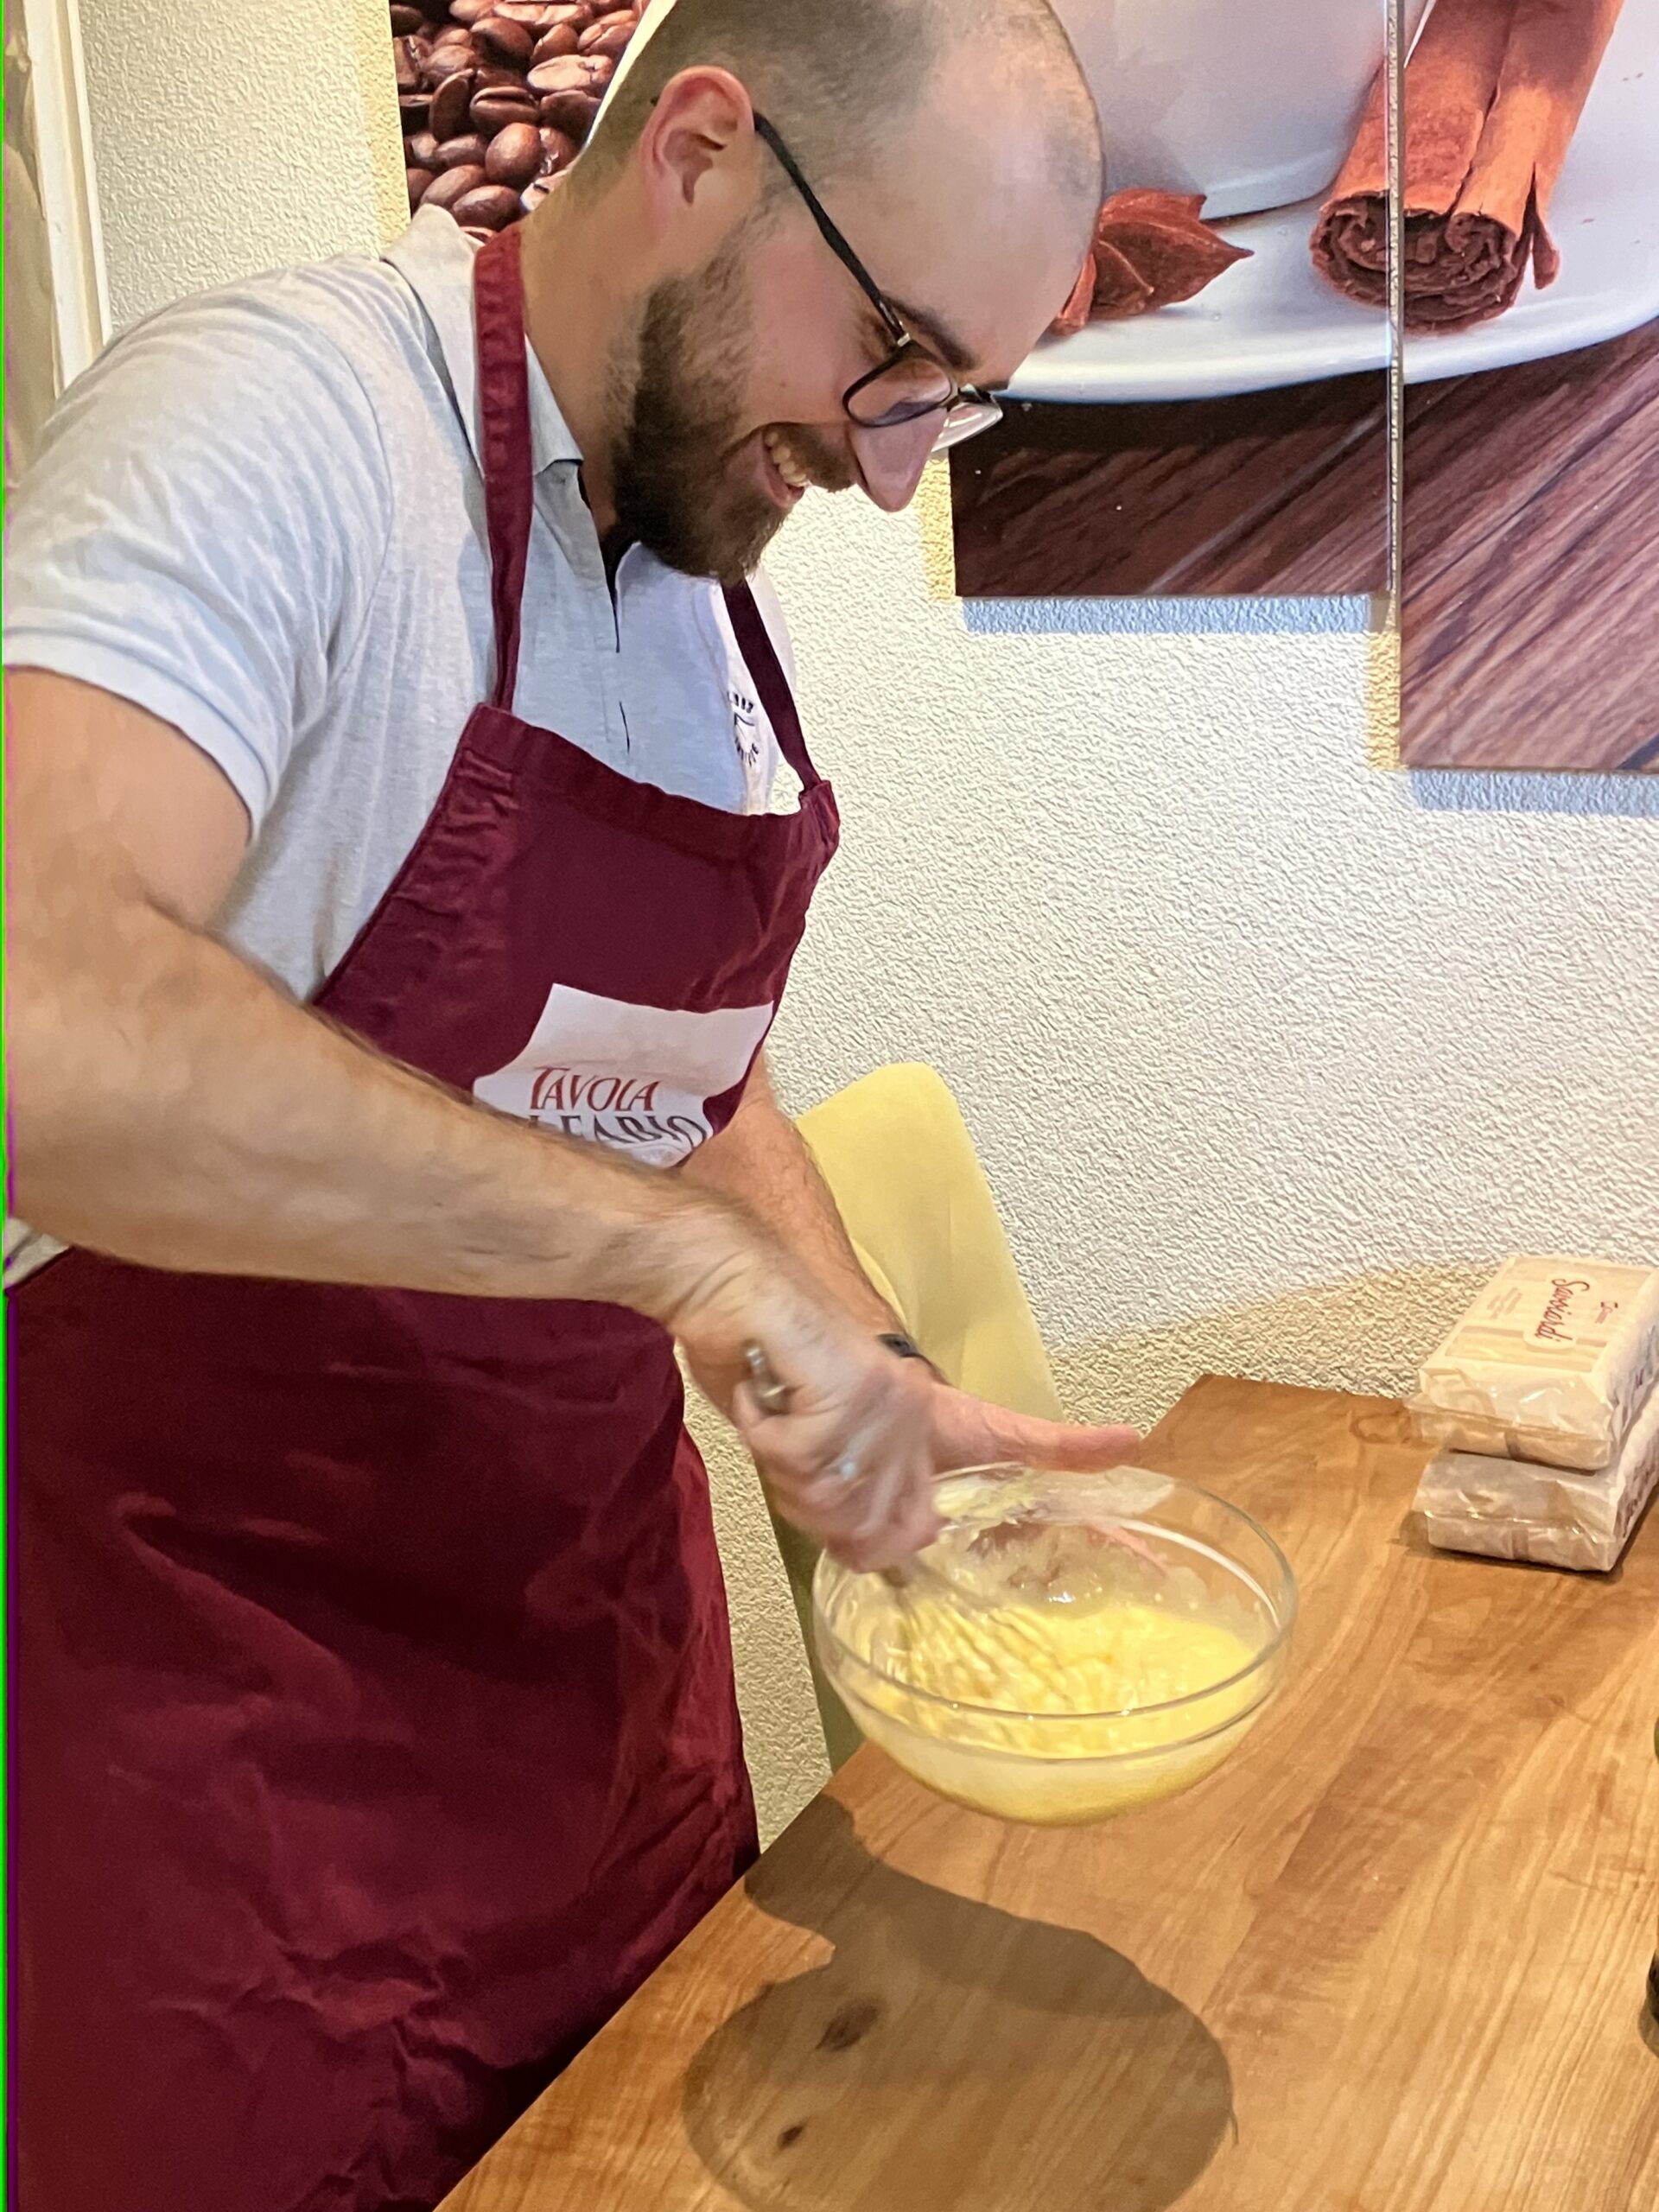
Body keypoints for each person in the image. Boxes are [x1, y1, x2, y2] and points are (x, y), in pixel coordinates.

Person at [3, 1, 1124, 2205]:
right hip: (232, 1809)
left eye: (959, 399)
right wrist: (681, 1261)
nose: (898, 466)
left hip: (607, 1753)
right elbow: (42, 1021)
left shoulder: (688, 550)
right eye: (891, 349)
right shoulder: (286, 421)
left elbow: (666, 1077)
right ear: (701, 148)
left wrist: (869, 1367)